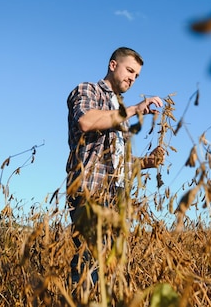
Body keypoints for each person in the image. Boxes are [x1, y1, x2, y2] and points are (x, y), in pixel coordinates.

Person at [65, 46, 165, 292]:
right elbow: (86, 121)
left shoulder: (116, 108)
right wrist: (133, 110)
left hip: (116, 196)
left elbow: (117, 162)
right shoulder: (88, 90)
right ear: (113, 65)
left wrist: (146, 163)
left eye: (137, 75)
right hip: (91, 191)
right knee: (88, 264)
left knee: (108, 268)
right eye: (129, 70)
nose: (132, 78)